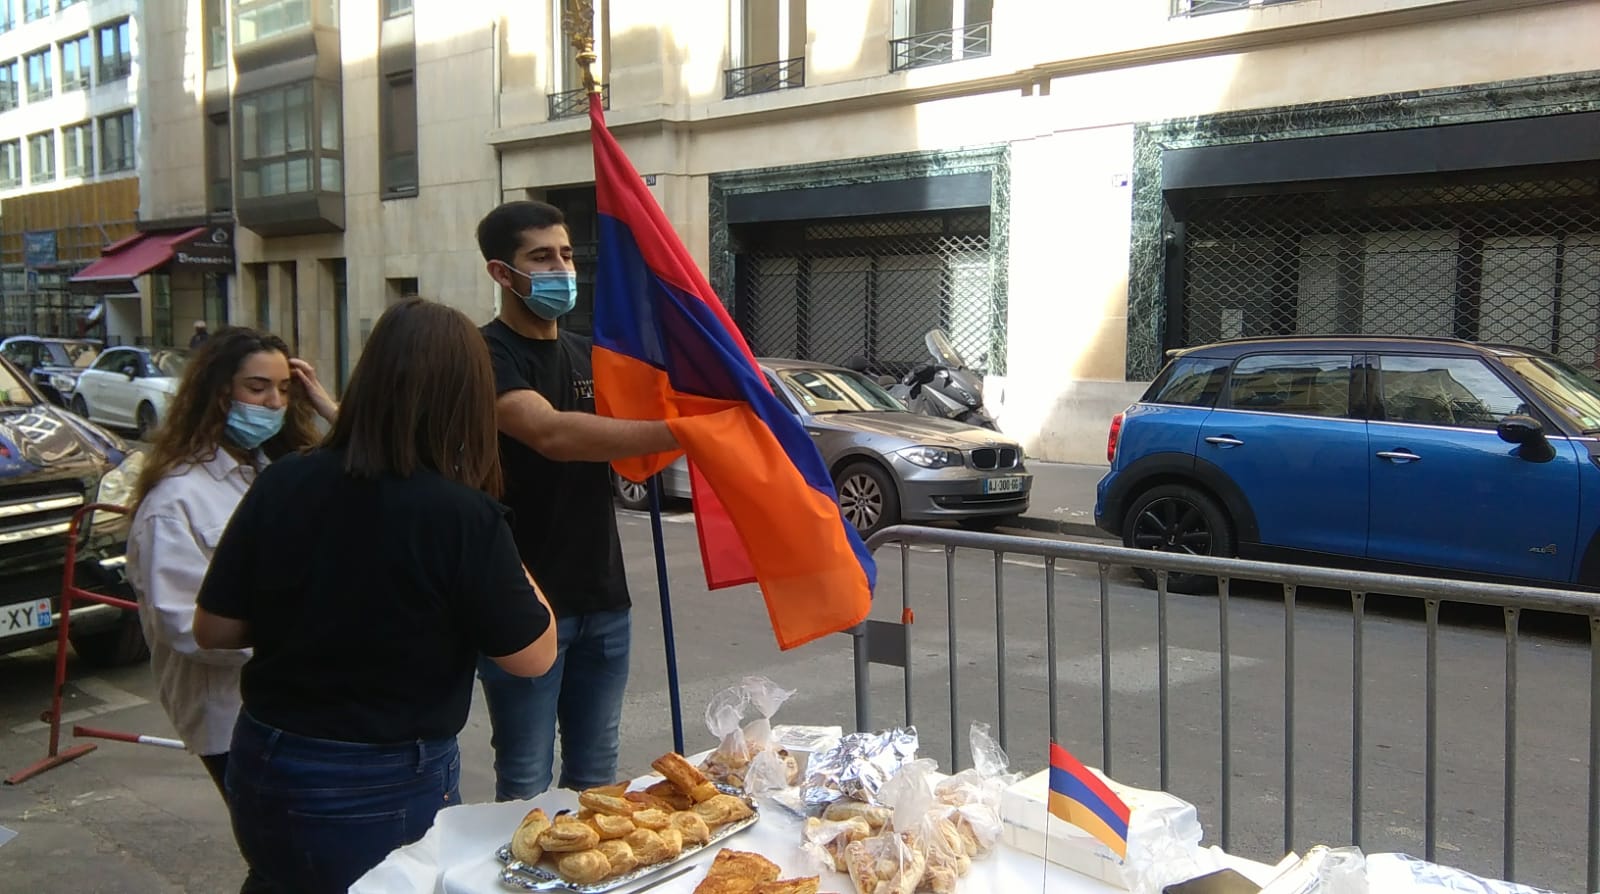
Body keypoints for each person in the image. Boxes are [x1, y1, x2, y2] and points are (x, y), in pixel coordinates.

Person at [193, 298, 558, 893]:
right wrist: (499, 537)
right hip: (380, 779)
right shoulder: (460, 513)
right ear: (465, 399)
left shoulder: (284, 479)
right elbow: (532, 654)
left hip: (265, 757)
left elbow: (214, 628)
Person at [475, 200, 677, 800]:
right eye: (540, 256)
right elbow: (553, 435)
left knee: (598, 778)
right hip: (523, 602)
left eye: (565, 254)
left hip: (605, 599)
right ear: (501, 273)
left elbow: (633, 444)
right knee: (526, 781)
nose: (561, 267)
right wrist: (688, 431)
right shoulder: (483, 355)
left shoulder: (592, 353)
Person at [126, 327, 337, 893]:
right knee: (282, 860)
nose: (273, 403)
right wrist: (308, 638)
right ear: (218, 393)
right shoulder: (176, 500)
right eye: (257, 388)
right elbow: (186, 627)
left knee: (297, 855)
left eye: (283, 390)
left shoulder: (272, 468)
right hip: (230, 714)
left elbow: (376, 467)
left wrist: (327, 407)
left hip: (290, 705)